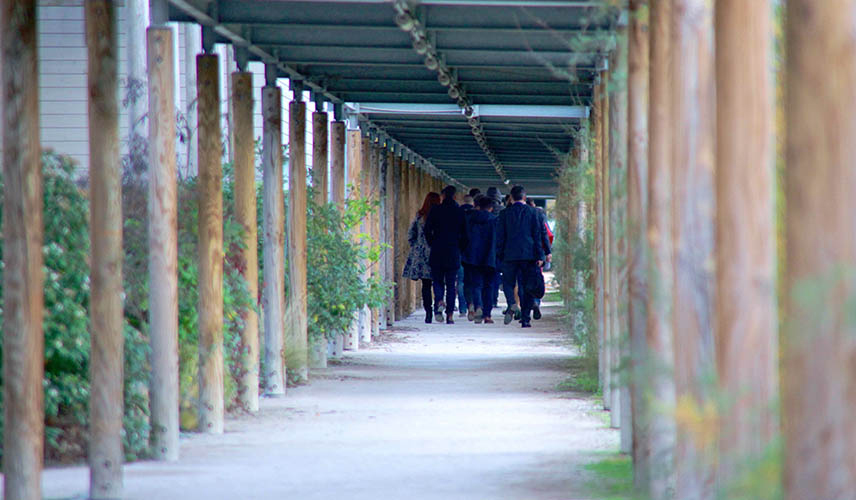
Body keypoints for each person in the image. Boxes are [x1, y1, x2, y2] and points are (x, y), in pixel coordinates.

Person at [496, 185, 544, 328]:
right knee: (526, 286)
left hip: (509, 254)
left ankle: (512, 303)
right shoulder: (534, 213)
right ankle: (525, 319)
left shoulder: (504, 214)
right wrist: (540, 255)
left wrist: (499, 254)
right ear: (524, 197)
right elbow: (537, 235)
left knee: (508, 283)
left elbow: (500, 236)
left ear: (511, 198)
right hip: (529, 255)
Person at [425, 185, 468, 324]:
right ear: (455, 196)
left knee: (437, 281)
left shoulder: (435, 210)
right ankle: (449, 315)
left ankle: (438, 301)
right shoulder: (459, 212)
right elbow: (466, 235)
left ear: (442, 196)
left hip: (437, 250)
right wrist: (460, 249)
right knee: (451, 284)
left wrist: (432, 243)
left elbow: (427, 230)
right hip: (453, 251)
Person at [403, 192, 441, 323]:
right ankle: (438, 308)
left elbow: (410, 234)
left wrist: (417, 246)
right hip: (437, 252)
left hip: (421, 254)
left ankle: (428, 312)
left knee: (425, 284)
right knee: (438, 282)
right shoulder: (439, 216)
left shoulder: (420, 216)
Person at [462, 195, 499, 324]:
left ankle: (478, 306)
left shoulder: (469, 219)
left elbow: (464, 237)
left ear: (477, 206)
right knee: (488, 286)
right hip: (490, 257)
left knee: (476, 285)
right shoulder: (495, 220)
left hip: (472, 257)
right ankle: (487, 315)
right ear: (490, 208)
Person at [526, 198, 552, 320]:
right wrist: (546, 252)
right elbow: (547, 235)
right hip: (537, 255)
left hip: (521, 254)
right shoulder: (539, 216)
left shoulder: (520, 217)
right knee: (536, 280)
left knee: (522, 281)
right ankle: (536, 301)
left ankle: (525, 307)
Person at [456, 194, 475, 316]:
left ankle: (463, 308)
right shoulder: (475, 215)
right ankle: (473, 304)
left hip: (458, 251)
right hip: (473, 252)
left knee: (460, 281)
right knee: (474, 281)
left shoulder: (456, 213)